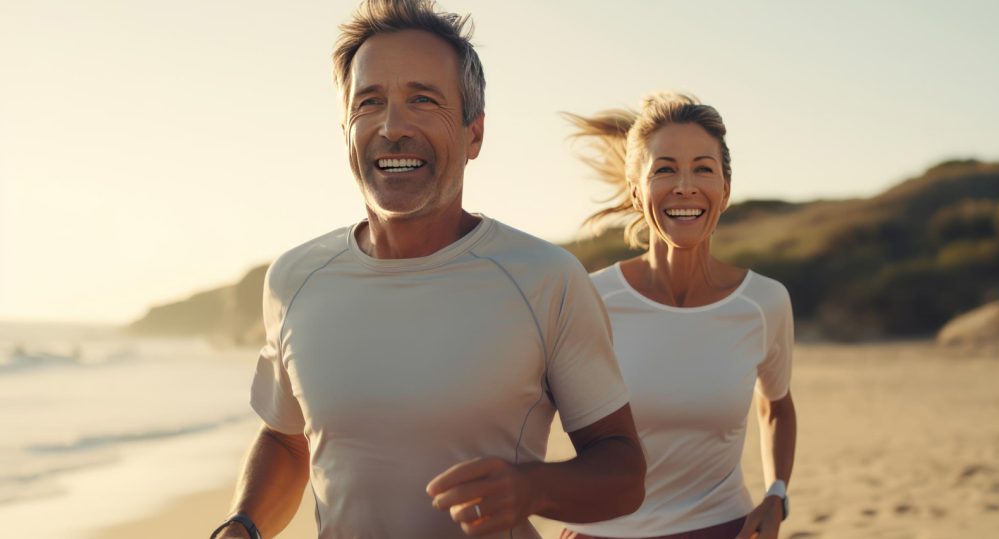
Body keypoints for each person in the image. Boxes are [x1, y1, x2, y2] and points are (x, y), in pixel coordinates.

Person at [209, 1, 646, 538]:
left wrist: (534, 486)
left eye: (423, 100)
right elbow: (285, 440)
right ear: (346, 128)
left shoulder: (545, 278)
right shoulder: (294, 280)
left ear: (474, 134)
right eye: (370, 102)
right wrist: (242, 527)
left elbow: (623, 470)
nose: (393, 127)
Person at [559, 93, 798, 539]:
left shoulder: (764, 303)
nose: (685, 185)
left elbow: (777, 406)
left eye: (703, 168)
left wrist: (776, 494)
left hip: (722, 528)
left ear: (725, 189)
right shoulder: (590, 298)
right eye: (665, 169)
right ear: (637, 189)